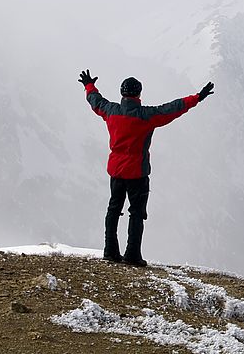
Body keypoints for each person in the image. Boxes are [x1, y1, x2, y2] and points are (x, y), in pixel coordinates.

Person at [78, 69, 214, 266]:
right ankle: (132, 255)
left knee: (113, 209)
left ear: (122, 93)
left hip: (116, 171)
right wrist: (197, 98)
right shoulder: (147, 116)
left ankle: (110, 251)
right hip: (137, 173)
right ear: (139, 94)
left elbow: (95, 101)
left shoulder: (111, 111)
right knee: (136, 213)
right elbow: (171, 108)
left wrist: (89, 85)